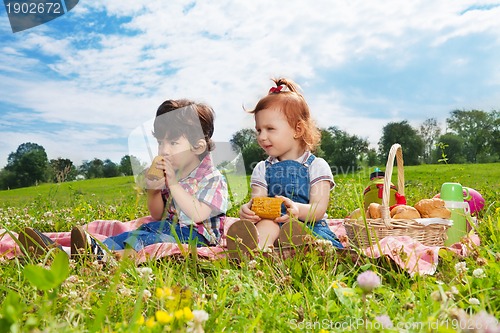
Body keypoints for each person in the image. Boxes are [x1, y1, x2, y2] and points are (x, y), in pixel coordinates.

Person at [18, 99, 228, 259]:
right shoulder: (173, 174)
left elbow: (197, 214)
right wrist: (154, 191)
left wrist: (173, 185)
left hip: (198, 238)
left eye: (173, 143)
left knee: (148, 241)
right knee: (136, 234)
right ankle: (67, 251)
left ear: (198, 146)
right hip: (167, 228)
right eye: (160, 142)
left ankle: (96, 256)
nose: (163, 150)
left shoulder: (212, 178)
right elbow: (158, 215)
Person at [226, 78, 343, 257]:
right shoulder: (262, 168)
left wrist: (297, 210)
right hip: (272, 223)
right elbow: (259, 200)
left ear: (297, 129)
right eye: (258, 130)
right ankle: (259, 253)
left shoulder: (317, 166)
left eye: (270, 129)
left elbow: (318, 210)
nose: (262, 137)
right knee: (266, 225)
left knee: (302, 234)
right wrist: (249, 210)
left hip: (307, 224)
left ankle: (289, 247)